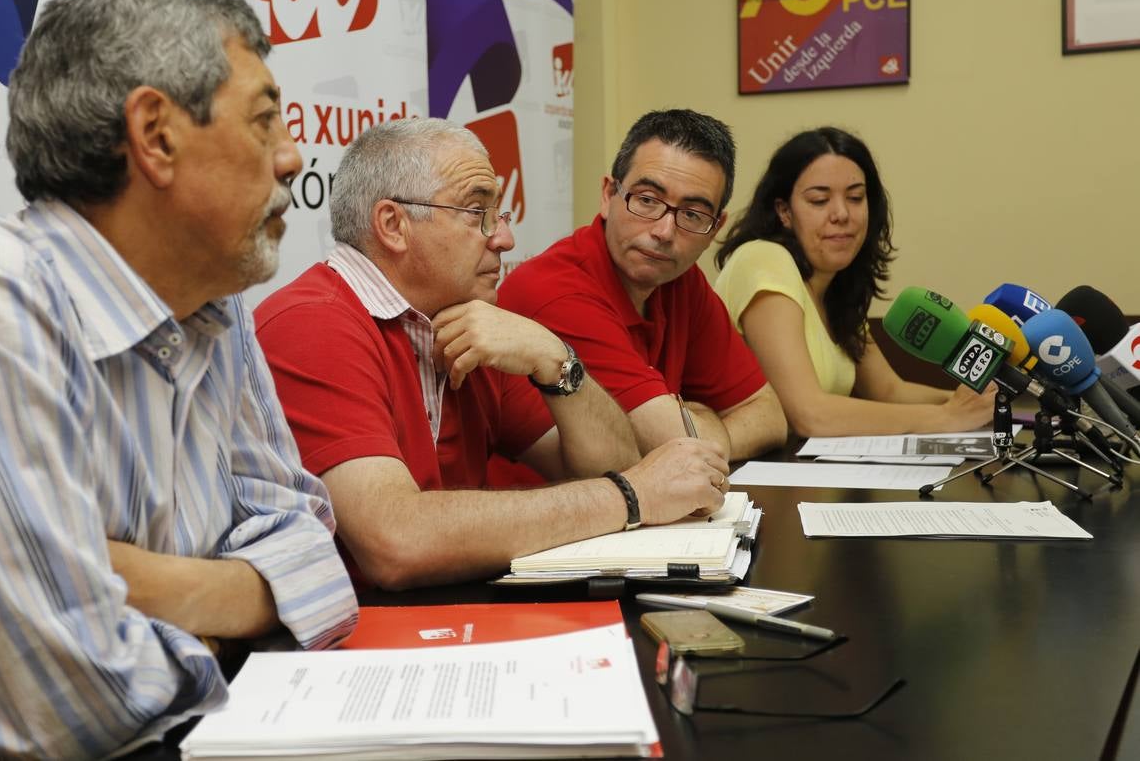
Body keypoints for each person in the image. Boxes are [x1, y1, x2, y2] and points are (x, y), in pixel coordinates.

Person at [0, 0, 357, 760]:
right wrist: (245, 607)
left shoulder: (212, 301)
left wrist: (144, 585)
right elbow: (63, 707)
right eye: (265, 122)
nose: (294, 158)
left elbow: (319, 558)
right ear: (155, 135)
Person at [254, 118, 730, 591]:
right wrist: (631, 498)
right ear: (394, 225)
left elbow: (612, 464)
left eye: (499, 216)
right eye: (478, 213)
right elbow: (397, 541)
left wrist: (557, 359)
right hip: (348, 646)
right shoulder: (312, 323)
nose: (504, 239)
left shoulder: (467, 321)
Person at [498, 109, 787, 461]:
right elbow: (675, 445)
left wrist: (702, 434)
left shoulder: (679, 280)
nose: (664, 232)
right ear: (608, 195)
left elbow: (769, 416)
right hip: (541, 507)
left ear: (716, 227)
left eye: (692, 215)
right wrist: (705, 420)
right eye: (647, 200)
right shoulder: (554, 288)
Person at [714, 126, 994, 436]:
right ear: (784, 212)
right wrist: (948, 417)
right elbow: (809, 414)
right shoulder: (763, 259)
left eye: (856, 197)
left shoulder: (836, 288)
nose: (841, 213)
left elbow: (889, 391)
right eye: (819, 200)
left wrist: (977, 403)